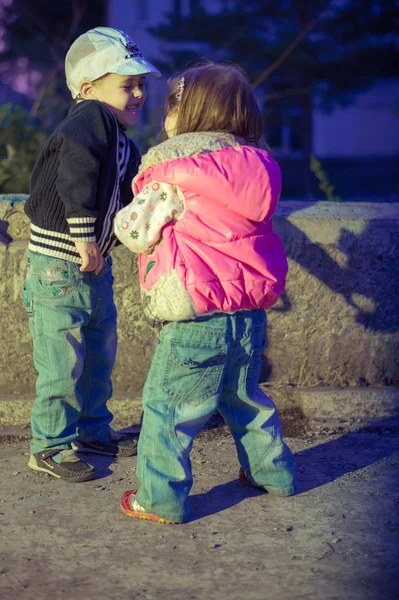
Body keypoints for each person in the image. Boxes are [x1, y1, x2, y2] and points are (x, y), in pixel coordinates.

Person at [114, 63, 296, 523]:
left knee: (168, 408)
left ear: (184, 112)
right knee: (245, 397)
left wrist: (122, 220)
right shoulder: (258, 166)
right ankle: (275, 473)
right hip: (249, 314)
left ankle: (160, 499)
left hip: (196, 314)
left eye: (169, 106)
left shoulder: (173, 169)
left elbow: (136, 233)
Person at [23, 27, 161, 482]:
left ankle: (92, 430)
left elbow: (122, 201)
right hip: (60, 264)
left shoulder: (121, 138)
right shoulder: (88, 121)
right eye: (126, 84)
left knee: (99, 357)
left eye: (141, 83)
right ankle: (49, 445)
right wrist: (84, 236)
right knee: (63, 363)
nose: (139, 93)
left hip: (94, 268)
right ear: (88, 88)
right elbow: (74, 176)